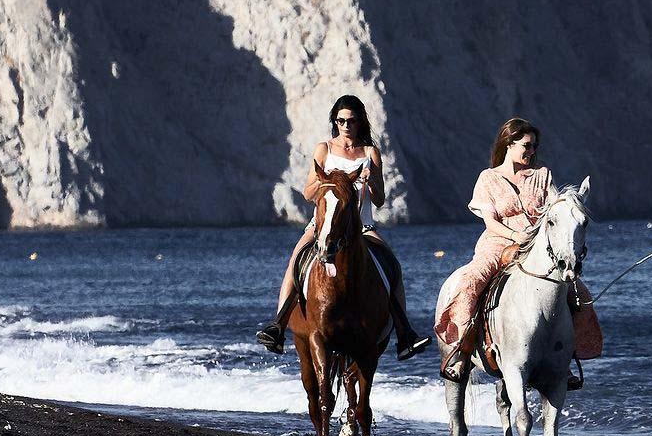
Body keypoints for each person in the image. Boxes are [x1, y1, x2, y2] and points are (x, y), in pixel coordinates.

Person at [255, 95, 430, 361]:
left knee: (392, 266)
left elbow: (380, 199)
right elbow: (308, 192)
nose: (345, 125)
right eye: (340, 121)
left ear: (360, 122)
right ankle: (278, 325)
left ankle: (405, 333)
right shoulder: (323, 149)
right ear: (334, 122)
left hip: (362, 226)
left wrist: (371, 182)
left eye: (351, 120)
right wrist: (329, 184)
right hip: (323, 226)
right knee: (295, 262)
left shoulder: (371, 153)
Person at [436, 117, 601, 384]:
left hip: (537, 247)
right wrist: (516, 234)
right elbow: (490, 221)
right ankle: (462, 352)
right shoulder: (488, 179)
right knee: (470, 282)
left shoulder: (542, 176)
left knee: (578, 292)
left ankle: (566, 358)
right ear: (508, 143)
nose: (531, 151)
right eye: (526, 145)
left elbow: (554, 211)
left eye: (534, 146)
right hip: (498, 243)